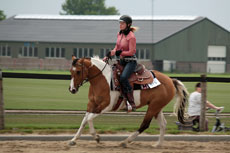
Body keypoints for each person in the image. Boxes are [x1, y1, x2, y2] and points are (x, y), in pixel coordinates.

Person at [104, 15, 137, 111]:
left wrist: (120, 52)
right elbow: (117, 46)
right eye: (120, 23)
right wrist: (110, 54)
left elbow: (132, 52)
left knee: (123, 78)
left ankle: (131, 102)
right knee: (112, 75)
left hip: (130, 62)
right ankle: (120, 98)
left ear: (128, 24)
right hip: (121, 61)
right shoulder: (120, 34)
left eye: (122, 23)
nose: (120, 25)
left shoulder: (131, 37)